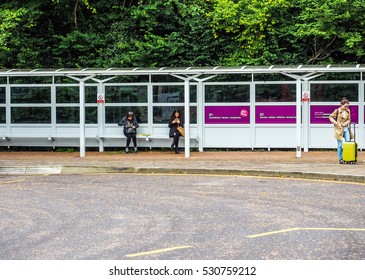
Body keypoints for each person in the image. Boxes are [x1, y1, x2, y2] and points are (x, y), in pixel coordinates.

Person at [329, 98, 352, 164]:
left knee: (348, 144)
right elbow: (330, 117)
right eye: (345, 106)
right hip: (339, 130)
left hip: (346, 129)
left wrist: (346, 123)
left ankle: (348, 158)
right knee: (340, 145)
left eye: (347, 106)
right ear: (341, 105)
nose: (346, 107)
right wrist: (335, 122)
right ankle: (341, 159)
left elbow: (349, 119)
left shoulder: (348, 111)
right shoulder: (337, 111)